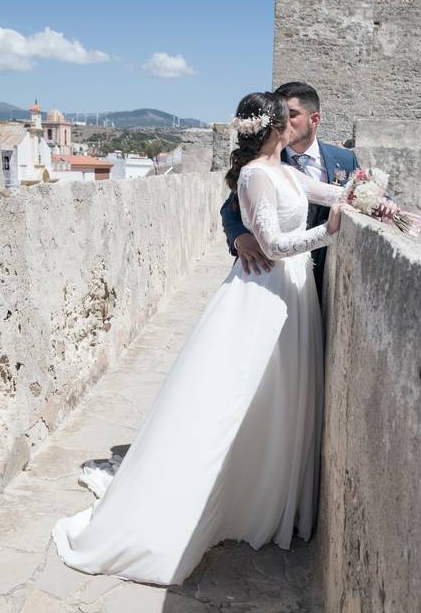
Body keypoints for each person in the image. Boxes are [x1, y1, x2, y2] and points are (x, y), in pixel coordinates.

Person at [51, 92, 359, 586]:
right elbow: (275, 246)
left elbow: (329, 196)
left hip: (294, 297)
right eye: (289, 119)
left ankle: (259, 489)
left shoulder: (286, 171)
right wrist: (330, 233)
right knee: (239, 398)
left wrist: (364, 195)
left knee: (277, 399)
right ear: (279, 127)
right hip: (265, 291)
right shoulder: (257, 175)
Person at [221, 81, 397, 296]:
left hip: (313, 274)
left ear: (314, 119)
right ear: (274, 127)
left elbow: (338, 194)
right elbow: (232, 208)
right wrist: (240, 237)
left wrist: (381, 202)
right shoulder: (257, 170)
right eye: (284, 115)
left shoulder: (298, 166)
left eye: (291, 114)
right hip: (265, 275)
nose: (288, 121)